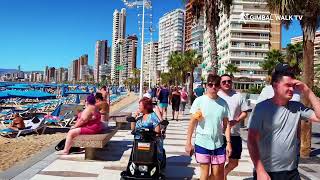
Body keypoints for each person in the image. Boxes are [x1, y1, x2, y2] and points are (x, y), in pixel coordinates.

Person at [247, 70, 320, 180]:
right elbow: (252, 141)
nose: (291, 89)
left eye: (293, 86)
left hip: (291, 171)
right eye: (287, 85)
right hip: (268, 172)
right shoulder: (261, 108)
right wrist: (260, 170)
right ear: (275, 85)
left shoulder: (297, 107)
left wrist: (307, 90)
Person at [186, 74, 232, 180]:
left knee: (216, 174)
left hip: (218, 143)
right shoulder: (199, 101)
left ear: (219, 87)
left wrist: (229, 143)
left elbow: (226, 125)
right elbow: (192, 123)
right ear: (206, 85)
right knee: (205, 173)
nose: (213, 87)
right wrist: (188, 142)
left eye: (216, 85)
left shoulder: (223, 103)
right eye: (210, 85)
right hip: (202, 142)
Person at [217, 74, 249, 180]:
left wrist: (236, 121)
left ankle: (224, 174)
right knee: (219, 162)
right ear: (220, 83)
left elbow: (245, 112)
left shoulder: (238, 96)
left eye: (229, 81)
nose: (227, 83)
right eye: (224, 81)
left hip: (234, 133)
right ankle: (221, 177)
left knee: (234, 162)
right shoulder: (216, 94)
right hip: (219, 134)